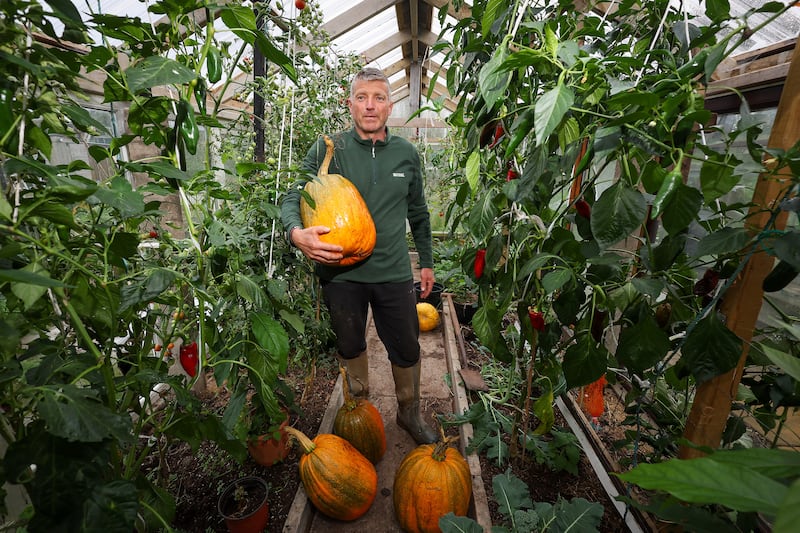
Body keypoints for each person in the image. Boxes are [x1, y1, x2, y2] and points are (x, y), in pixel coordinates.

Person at [280, 67, 437, 445]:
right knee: (350, 345)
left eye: (379, 98)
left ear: (389, 104)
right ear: (349, 103)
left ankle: (409, 413)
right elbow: (291, 196)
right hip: (341, 274)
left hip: (394, 270)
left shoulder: (406, 153)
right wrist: (295, 233)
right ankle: (359, 413)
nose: (370, 106)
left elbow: (418, 211)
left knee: (406, 346)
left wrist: (428, 261)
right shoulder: (328, 149)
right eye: (362, 97)